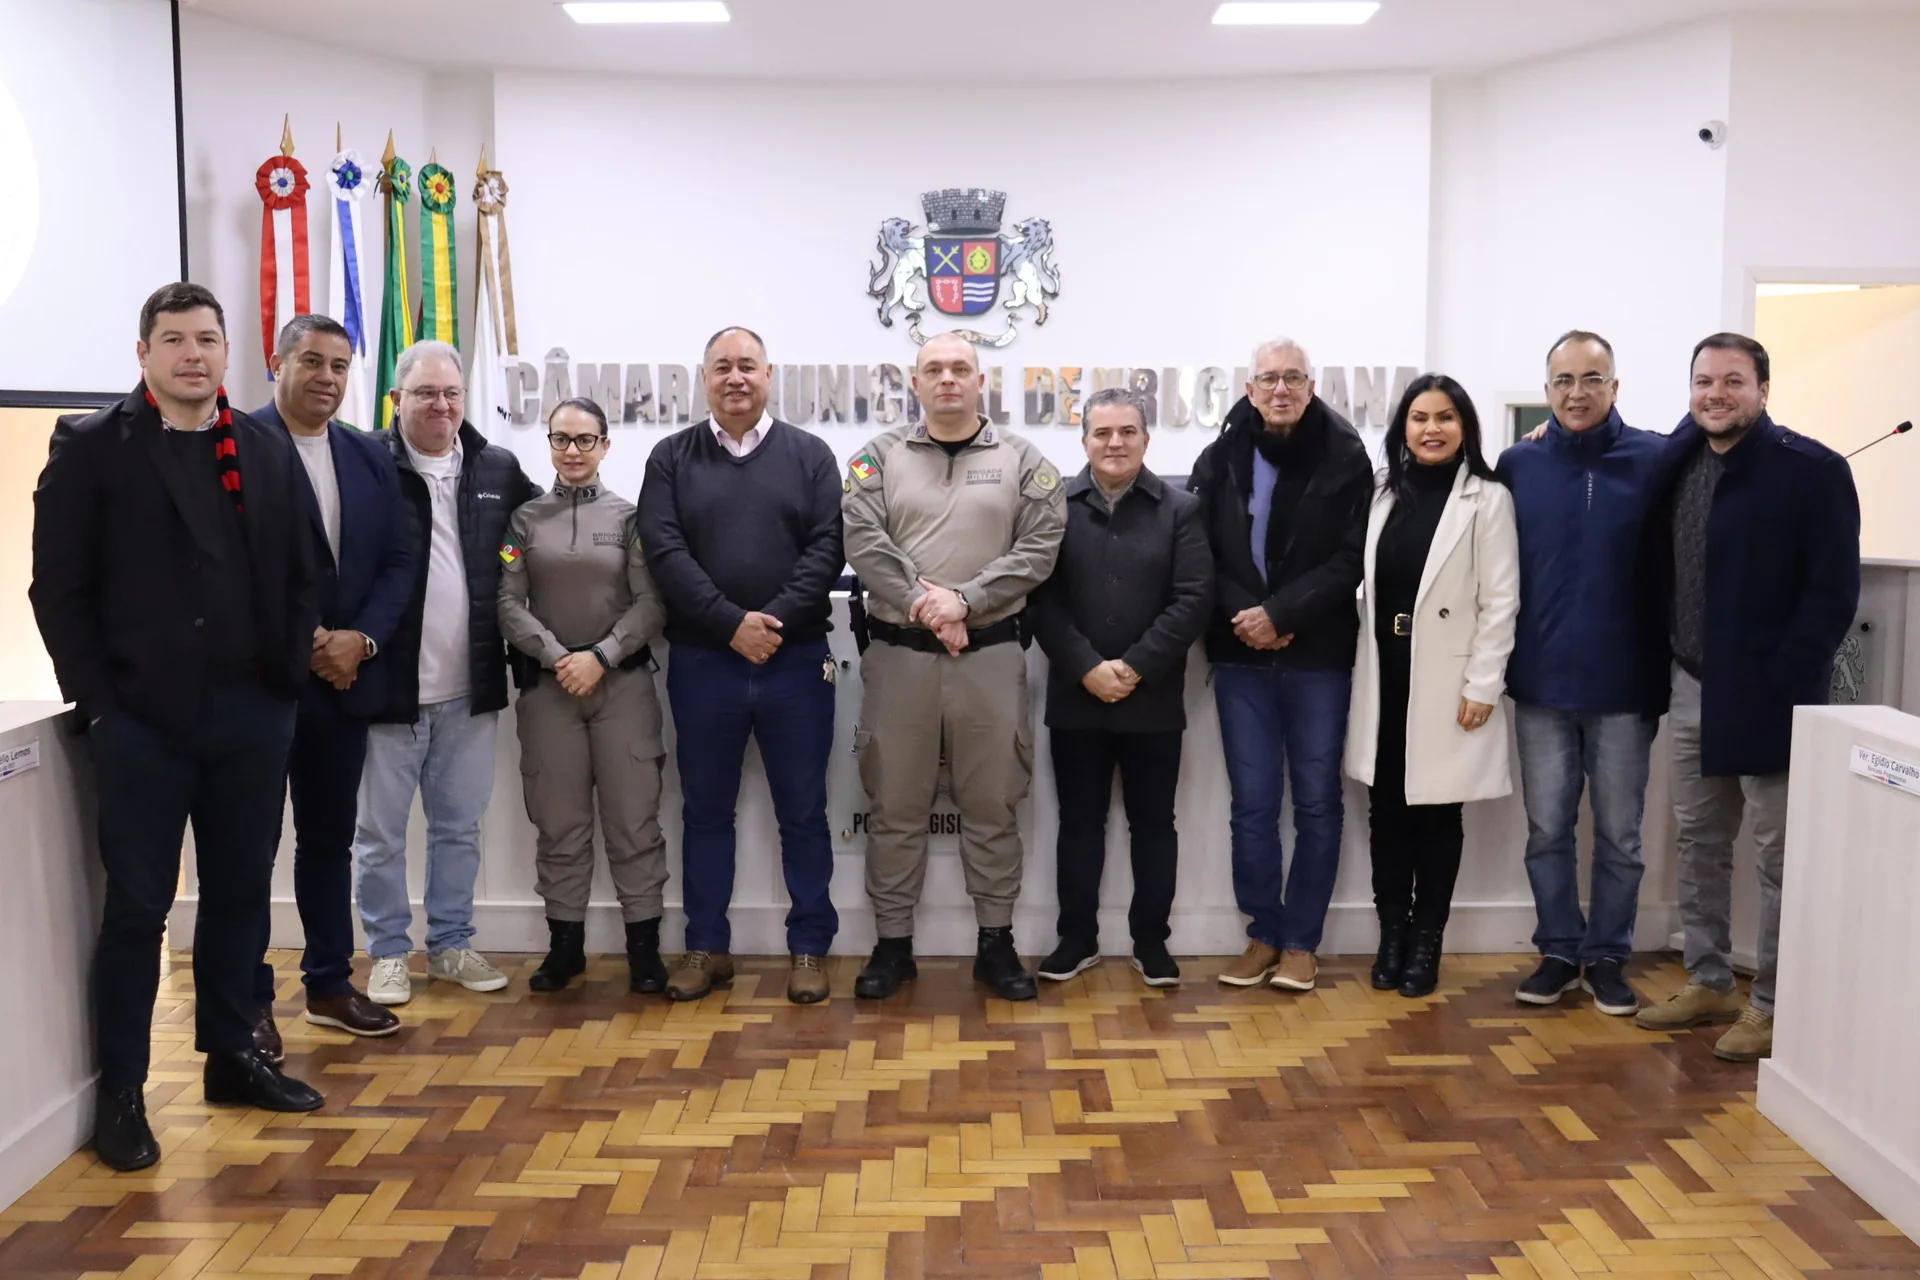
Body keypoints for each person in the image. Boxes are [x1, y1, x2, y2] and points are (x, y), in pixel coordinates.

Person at [30, 283, 325, 1172]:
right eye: (173, 340)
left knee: (240, 897)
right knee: (139, 910)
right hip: (141, 724)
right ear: (143, 354)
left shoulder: (266, 449)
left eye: (206, 338)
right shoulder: (91, 446)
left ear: (227, 351)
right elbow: (58, 588)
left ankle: (232, 1058)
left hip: (250, 715)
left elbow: (303, 570)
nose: (192, 354)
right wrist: (99, 704)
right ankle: (121, 1089)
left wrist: (283, 688)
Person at [1635, 333, 1859, 1062]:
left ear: (1763, 388)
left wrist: (1785, 681)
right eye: (1704, 381)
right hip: (1693, 683)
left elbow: (1831, 596)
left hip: (1773, 696)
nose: (1716, 394)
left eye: (1734, 381)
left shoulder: (1812, 470)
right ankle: (1708, 981)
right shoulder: (1680, 457)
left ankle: (1773, 1002)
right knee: (1699, 845)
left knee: (1777, 855)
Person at [841, 332, 1066, 1001]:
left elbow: (1040, 547)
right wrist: (925, 603)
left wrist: (964, 599)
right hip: (899, 659)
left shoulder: (1025, 461)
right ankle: (892, 947)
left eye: (960, 368)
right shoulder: (874, 459)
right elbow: (863, 540)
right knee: (895, 807)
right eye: (934, 369)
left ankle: (995, 947)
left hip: (990, 658)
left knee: (993, 805)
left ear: (980, 381)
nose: (947, 379)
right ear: (915, 382)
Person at [637, 327, 845, 1004]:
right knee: (704, 812)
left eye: (747, 366)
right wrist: (731, 624)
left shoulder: (810, 455)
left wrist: (770, 625)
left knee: (805, 813)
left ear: (769, 375)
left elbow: (827, 549)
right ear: (703, 379)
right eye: (722, 367)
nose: (735, 377)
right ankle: (706, 948)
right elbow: (664, 551)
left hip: (796, 660)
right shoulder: (670, 458)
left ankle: (810, 948)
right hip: (704, 662)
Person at [355, 339, 539, 1006]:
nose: (441, 405)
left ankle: (453, 944)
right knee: (378, 834)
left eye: (452, 393)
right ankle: (387, 954)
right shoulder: (366, 463)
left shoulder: (498, 467)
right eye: (426, 393)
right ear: (398, 398)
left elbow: (536, 536)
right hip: (387, 692)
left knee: (458, 828)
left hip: (472, 690)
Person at [248, 315, 413, 1053]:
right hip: (256, 687)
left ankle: (326, 984)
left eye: (341, 365)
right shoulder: (235, 446)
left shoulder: (370, 455)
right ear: (276, 362)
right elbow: (221, 568)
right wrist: (302, 639)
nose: (327, 377)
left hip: (343, 683)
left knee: (327, 842)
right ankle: (247, 1000)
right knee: (246, 847)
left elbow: (399, 563)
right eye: (311, 361)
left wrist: (360, 641)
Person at [1187, 337, 1373, 992]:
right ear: (1249, 389)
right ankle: (1263, 932)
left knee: (1318, 802)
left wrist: (1283, 615)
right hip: (1241, 655)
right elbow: (1203, 551)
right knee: (1254, 804)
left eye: (1293, 377)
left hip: (1318, 655)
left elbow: (1351, 557)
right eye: (1268, 378)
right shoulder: (1219, 458)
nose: (1281, 389)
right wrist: (1252, 617)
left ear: (1312, 385)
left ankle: (1301, 941)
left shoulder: (1347, 457)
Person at [1495, 331, 1669, 1016]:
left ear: (1615, 387)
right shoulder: (1518, 464)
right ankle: (1561, 950)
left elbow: (1716, 444)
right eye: (1563, 380)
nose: (1577, 392)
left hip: (1627, 688)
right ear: (1546, 392)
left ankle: (1608, 956)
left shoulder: (1657, 458)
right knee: (1547, 830)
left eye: (1592, 379)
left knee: (1622, 836)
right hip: (1540, 683)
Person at [1029, 388, 1212, 988]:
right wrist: (1087, 666)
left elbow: (1192, 601)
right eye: (1102, 433)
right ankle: (1075, 939)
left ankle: (1151, 942)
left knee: (1154, 824)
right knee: (1078, 824)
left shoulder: (1180, 509)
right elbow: (1042, 598)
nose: (1115, 443)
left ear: (1145, 439)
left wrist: (1133, 668)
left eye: (1127, 432)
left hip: (1153, 700)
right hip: (1076, 697)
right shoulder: (1054, 504)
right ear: (1084, 441)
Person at [1346, 375, 1520, 997]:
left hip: (1449, 679)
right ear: (1403, 429)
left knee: (1438, 813)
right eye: (1420, 418)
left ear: (1465, 427)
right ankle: (1391, 935)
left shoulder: (1488, 499)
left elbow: (1501, 603)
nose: (1432, 429)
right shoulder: (1381, 493)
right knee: (1385, 812)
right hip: (1385, 671)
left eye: (1446, 417)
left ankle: (1426, 942)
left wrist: (1484, 684)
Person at [500, 398, 669, 995]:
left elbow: (652, 603)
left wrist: (601, 656)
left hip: (622, 687)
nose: (572, 451)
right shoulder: (523, 522)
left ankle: (644, 953)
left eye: (585, 440)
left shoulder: (630, 519)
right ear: (549, 444)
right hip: (550, 692)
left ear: (604, 446)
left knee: (633, 823)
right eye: (561, 439)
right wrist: (557, 657)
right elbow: (507, 603)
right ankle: (564, 949)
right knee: (560, 824)